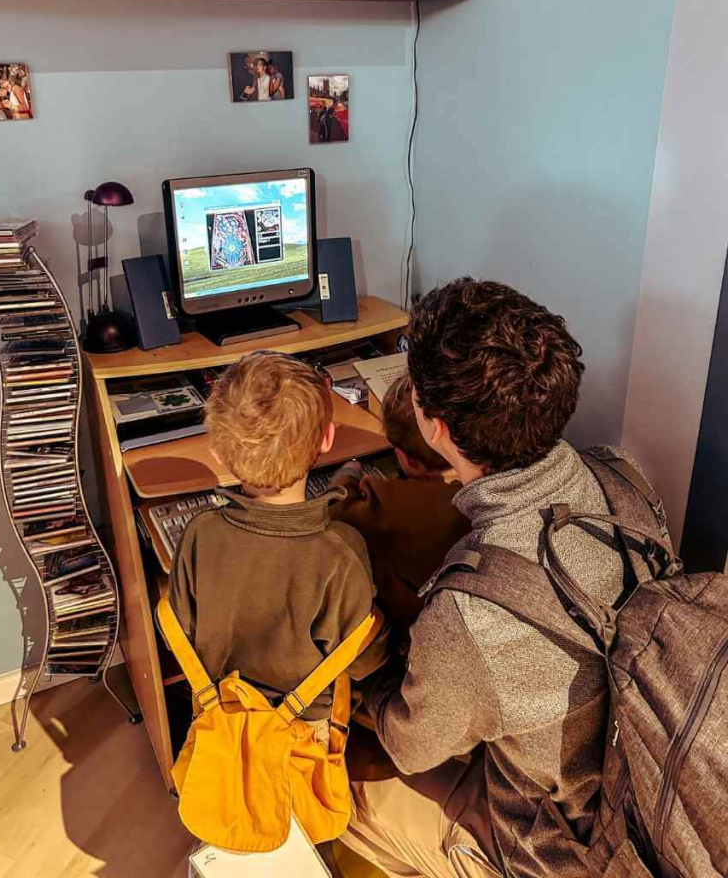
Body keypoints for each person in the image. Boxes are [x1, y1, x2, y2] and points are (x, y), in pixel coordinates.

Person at [341, 279, 661, 878]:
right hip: (640, 780)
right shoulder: (623, 475)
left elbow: (412, 745)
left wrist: (368, 675)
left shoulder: (472, 612)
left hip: (556, 849)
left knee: (339, 785)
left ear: (434, 429)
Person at [169, 351, 388, 747]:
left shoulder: (198, 534)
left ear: (217, 452)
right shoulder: (341, 552)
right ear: (327, 438)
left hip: (221, 714)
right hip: (304, 732)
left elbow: (180, 634)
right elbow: (364, 659)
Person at [330, 374, 468, 632]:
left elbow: (335, 510)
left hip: (411, 623)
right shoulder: (478, 490)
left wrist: (348, 472)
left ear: (411, 461)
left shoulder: (387, 503)